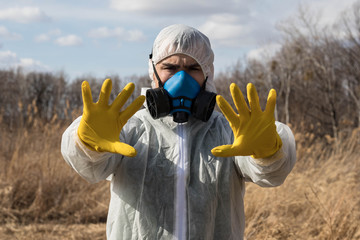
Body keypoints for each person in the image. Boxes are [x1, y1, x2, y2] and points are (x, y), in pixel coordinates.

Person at [61, 24, 296, 240]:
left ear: (207, 73)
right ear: (153, 71)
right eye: (170, 67)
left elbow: (271, 175)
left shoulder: (228, 130)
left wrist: (268, 152)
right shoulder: (129, 127)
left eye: (193, 68)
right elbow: (91, 168)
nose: (181, 78)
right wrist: (86, 142)